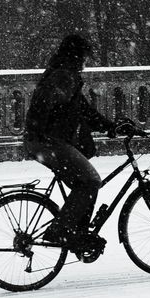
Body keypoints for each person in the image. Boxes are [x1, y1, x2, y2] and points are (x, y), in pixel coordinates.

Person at [22, 32, 134, 248]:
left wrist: (110, 126)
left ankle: (78, 233)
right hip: (47, 142)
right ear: (76, 56)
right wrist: (48, 133)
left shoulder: (63, 74)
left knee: (84, 185)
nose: (85, 63)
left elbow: (81, 110)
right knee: (91, 180)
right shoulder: (64, 77)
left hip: (44, 141)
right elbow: (58, 107)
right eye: (84, 57)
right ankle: (61, 231)